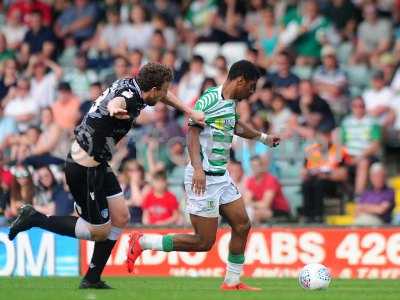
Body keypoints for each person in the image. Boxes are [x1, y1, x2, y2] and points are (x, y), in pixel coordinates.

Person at [8, 62, 204, 289]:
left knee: (121, 217)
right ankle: (35, 218)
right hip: (82, 169)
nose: (163, 95)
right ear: (153, 89)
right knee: (98, 231)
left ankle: (92, 278)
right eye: (162, 90)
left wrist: (189, 111)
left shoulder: (136, 84)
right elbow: (117, 101)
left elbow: (162, 94)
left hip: (97, 162)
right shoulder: (128, 98)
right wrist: (113, 109)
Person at [126, 60, 280, 291]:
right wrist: (198, 169)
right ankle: (143, 241)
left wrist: (263, 138)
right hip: (203, 177)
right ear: (240, 80)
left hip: (221, 176)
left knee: (242, 225)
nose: (252, 92)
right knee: (203, 241)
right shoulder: (209, 99)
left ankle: (232, 281)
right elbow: (192, 134)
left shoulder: (231, 102)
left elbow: (235, 126)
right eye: (251, 86)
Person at [302, 127, 351, 223]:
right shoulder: (312, 151)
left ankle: (318, 215)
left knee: (319, 184)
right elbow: (304, 171)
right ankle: (307, 215)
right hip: (315, 179)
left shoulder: (338, 151)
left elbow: (343, 174)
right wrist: (309, 173)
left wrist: (326, 175)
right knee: (306, 184)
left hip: (332, 183)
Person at [244, 156, 290, 224]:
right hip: (262, 209)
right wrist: (251, 205)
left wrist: (251, 205)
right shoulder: (251, 181)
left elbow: (265, 204)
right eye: (252, 166)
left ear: (262, 167)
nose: (254, 168)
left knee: (256, 214)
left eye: (256, 166)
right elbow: (246, 201)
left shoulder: (270, 180)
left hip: (279, 210)